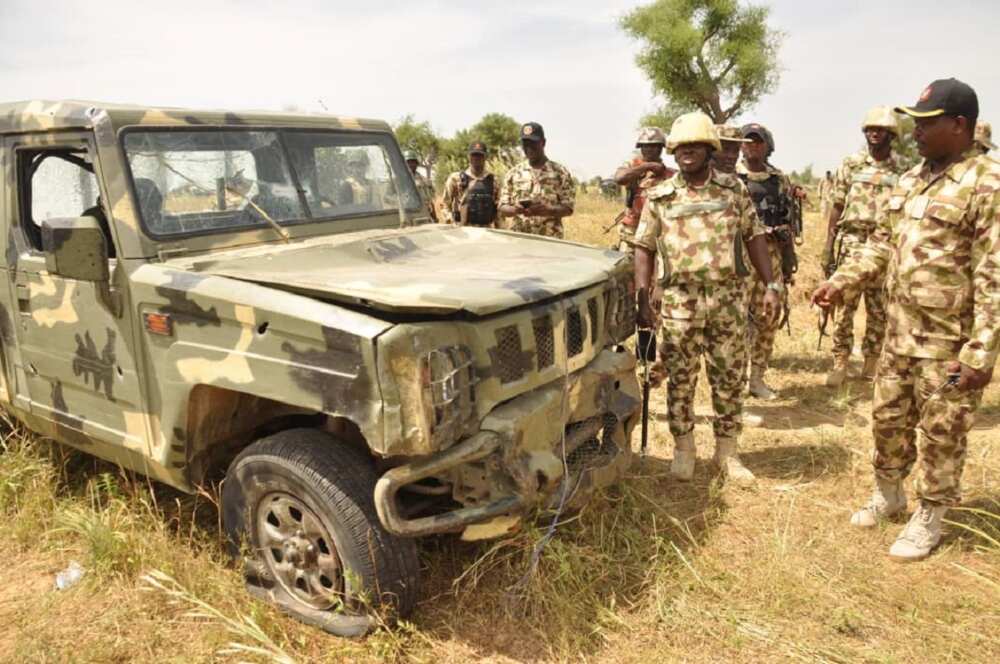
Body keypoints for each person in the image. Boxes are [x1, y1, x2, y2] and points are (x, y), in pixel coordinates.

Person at [812, 78, 1000, 561]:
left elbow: (994, 274)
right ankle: (890, 493)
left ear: (958, 125)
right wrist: (842, 281)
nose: (914, 131)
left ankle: (930, 514)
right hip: (898, 333)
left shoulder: (987, 181)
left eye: (926, 122)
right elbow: (879, 244)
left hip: (947, 341)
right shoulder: (911, 178)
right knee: (887, 420)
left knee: (941, 430)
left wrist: (980, 352)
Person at [633, 112, 781, 485]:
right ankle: (684, 450)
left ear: (709, 149)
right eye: (681, 147)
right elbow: (643, 247)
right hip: (679, 303)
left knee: (728, 378)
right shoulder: (660, 196)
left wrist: (772, 285)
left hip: (727, 302)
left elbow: (755, 236)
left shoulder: (733, 191)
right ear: (673, 152)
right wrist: (642, 297)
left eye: (695, 146)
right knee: (681, 379)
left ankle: (727, 453)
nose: (687, 153)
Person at [822, 106, 909, 386]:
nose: (873, 133)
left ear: (891, 134)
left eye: (880, 130)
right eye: (870, 129)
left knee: (879, 308)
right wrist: (828, 245)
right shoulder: (852, 164)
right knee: (845, 305)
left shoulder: (903, 170)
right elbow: (837, 204)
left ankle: (871, 363)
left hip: (885, 246)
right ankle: (840, 362)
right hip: (852, 242)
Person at [738, 123, 797, 401]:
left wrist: (788, 264)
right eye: (747, 141)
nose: (752, 146)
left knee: (768, 319)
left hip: (770, 258)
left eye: (758, 141)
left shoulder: (779, 180)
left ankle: (757, 378)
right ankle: (735, 381)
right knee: (737, 320)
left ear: (767, 145)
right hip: (739, 259)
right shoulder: (731, 178)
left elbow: (789, 222)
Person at [498, 122, 575, 238]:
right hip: (519, 239)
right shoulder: (513, 173)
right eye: (525, 143)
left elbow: (568, 208)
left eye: (533, 143)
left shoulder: (560, 173)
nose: (529, 148)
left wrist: (548, 210)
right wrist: (515, 210)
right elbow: (502, 207)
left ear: (543, 143)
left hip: (550, 240)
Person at [613, 127, 674, 253]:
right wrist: (647, 166)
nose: (648, 150)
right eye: (644, 146)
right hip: (632, 230)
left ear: (661, 148)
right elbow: (619, 178)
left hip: (659, 231)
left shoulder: (670, 175)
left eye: (654, 146)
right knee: (625, 269)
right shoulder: (632, 168)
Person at [440, 141, 499, 227]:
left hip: (487, 230)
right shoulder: (455, 178)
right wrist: (452, 223)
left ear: (485, 157)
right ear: (469, 156)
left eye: (480, 155)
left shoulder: (493, 180)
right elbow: (445, 205)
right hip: (463, 230)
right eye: (474, 155)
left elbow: (498, 208)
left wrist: (499, 230)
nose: (476, 158)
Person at [404, 150, 438, 222]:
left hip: (424, 213)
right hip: (408, 214)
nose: (412, 165)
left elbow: (430, 198)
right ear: (404, 164)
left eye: (413, 162)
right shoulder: (399, 180)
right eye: (409, 162)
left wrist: (434, 216)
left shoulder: (422, 179)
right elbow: (387, 197)